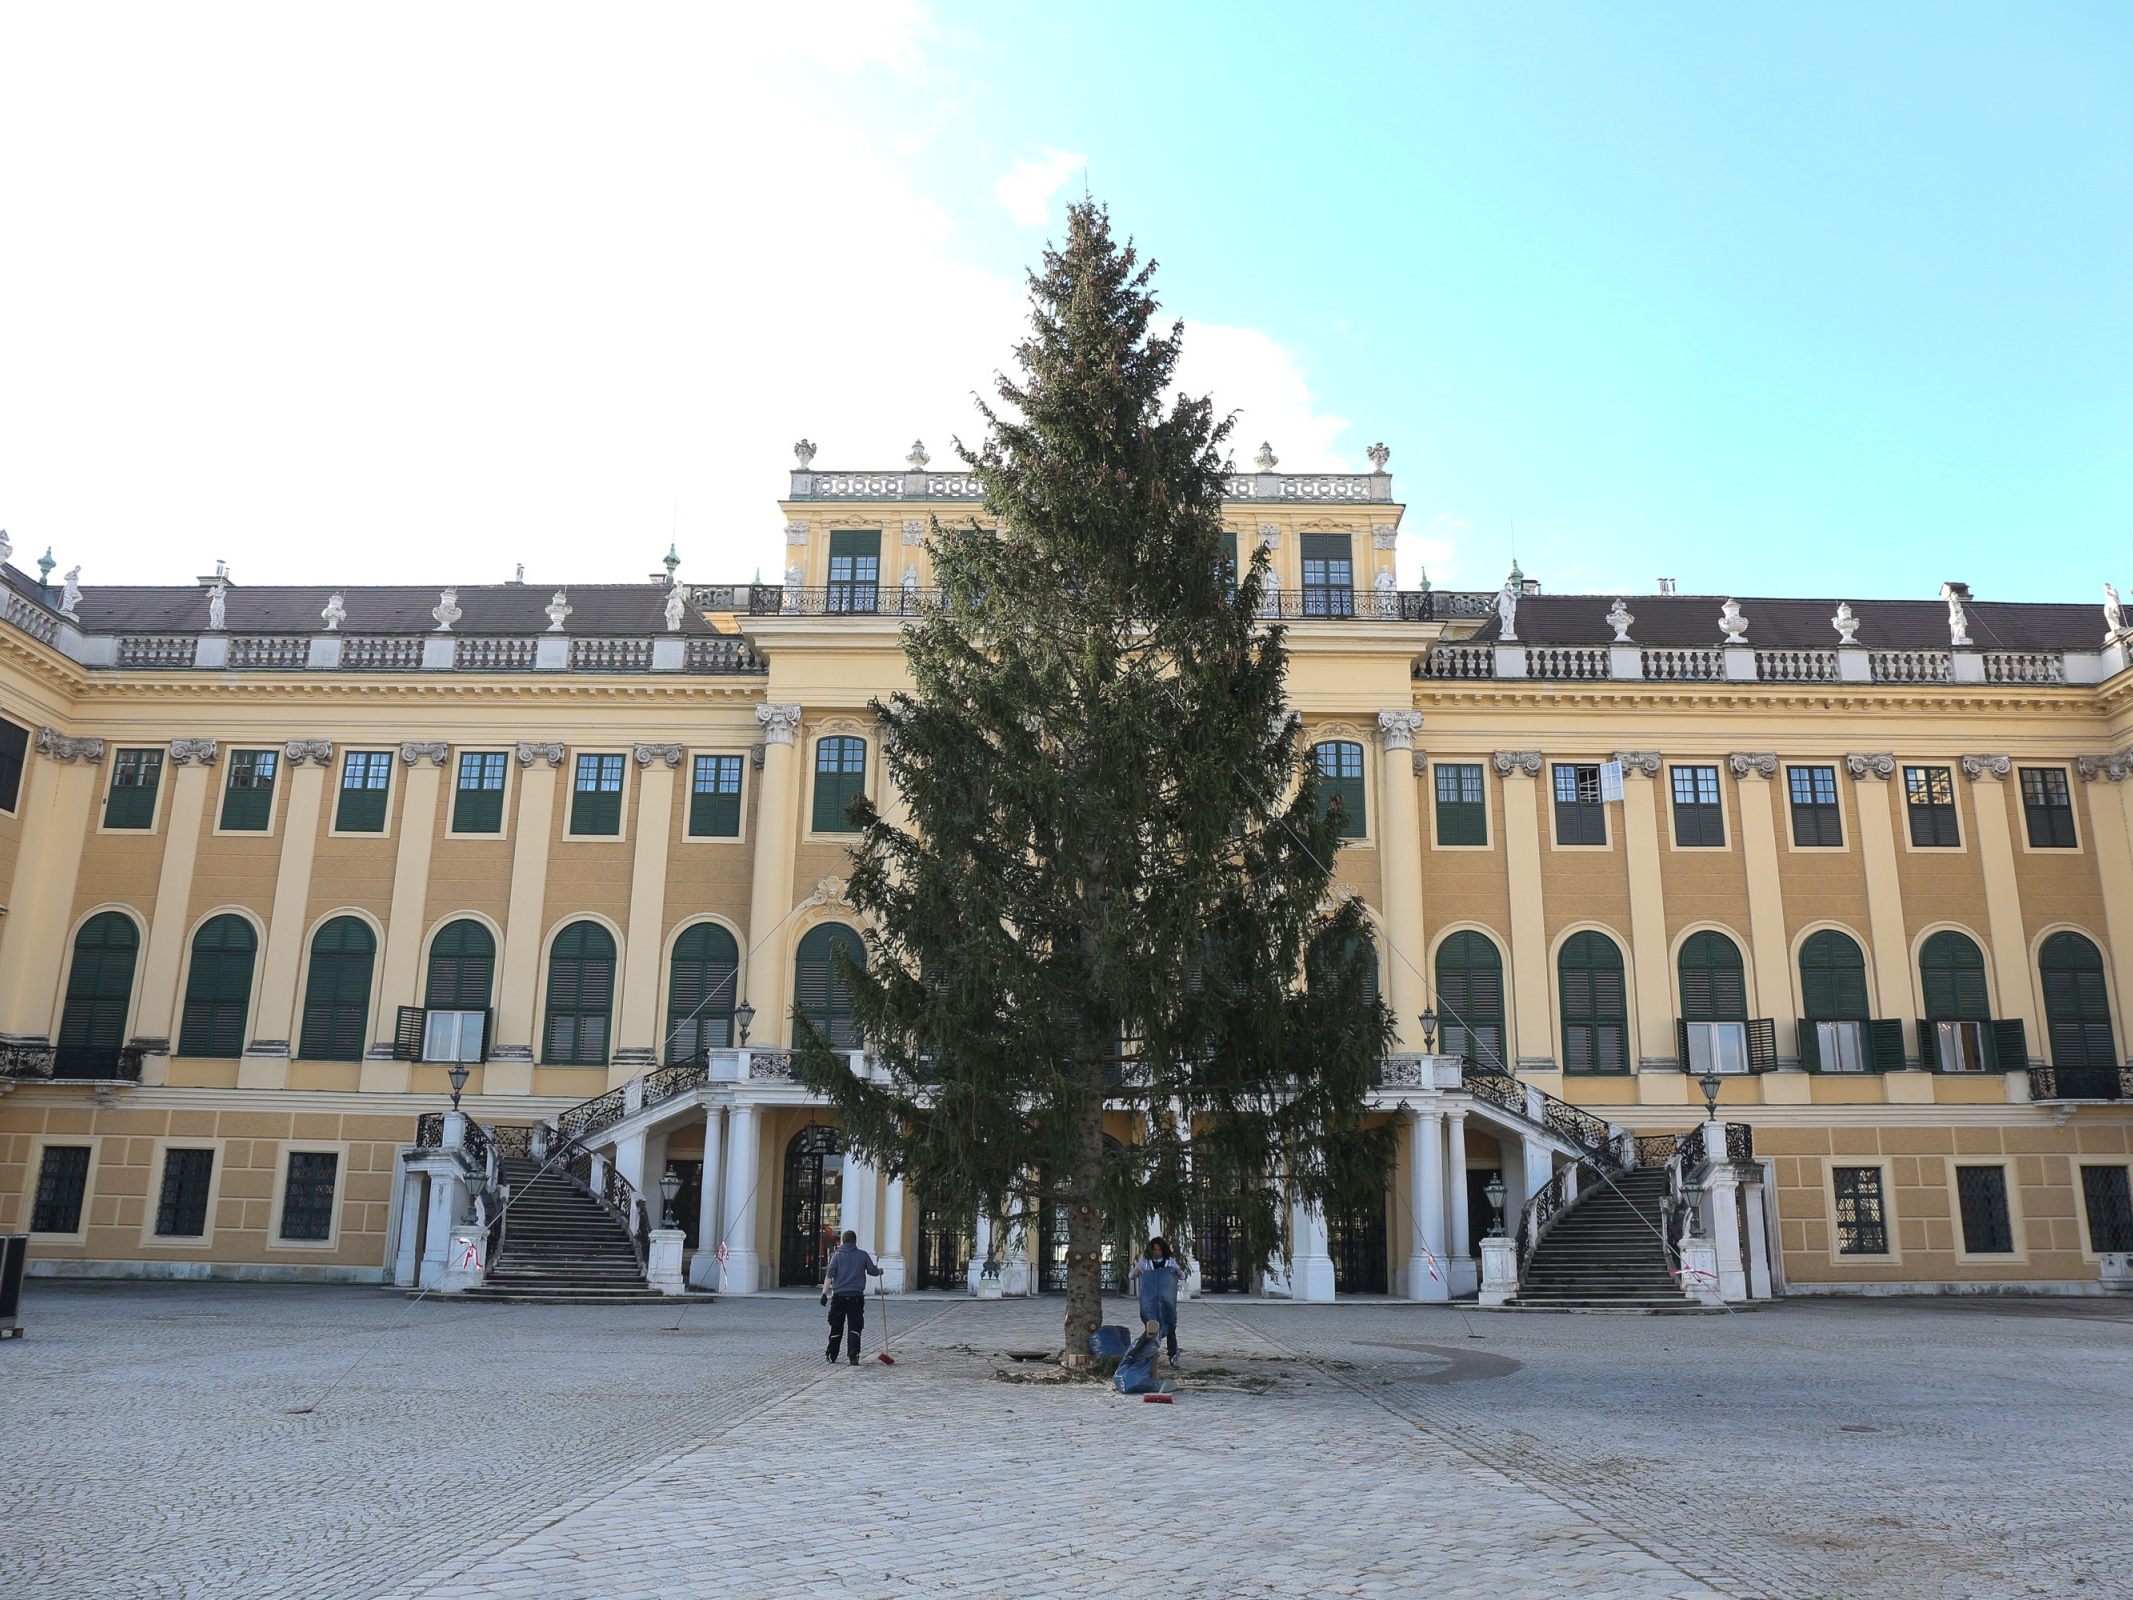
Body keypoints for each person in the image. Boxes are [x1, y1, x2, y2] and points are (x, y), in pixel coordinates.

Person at [820, 1228, 884, 1365]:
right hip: (856, 1297)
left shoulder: (836, 1256)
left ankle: (832, 1354)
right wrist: (880, 1271)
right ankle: (853, 1355)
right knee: (855, 1327)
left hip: (839, 1297)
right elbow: (872, 1271)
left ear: (843, 1241)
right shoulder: (862, 1255)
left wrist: (824, 1294)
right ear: (855, 1241)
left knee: (836, 1326)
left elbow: (829, 1275)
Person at [1129, 1236, 1187, 1363]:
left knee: (1170, 1328)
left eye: (1159, 1250)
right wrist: (1136, 1272)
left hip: (1167, 1302)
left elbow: (1182, 1276)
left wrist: (1178, 1272)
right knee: (1151, 1328)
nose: (1157, 1252)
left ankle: (1173, 1355)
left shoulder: (1170, 1262)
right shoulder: (1145, 1263)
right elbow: (1131, 1275)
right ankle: (1149, 1354)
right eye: (1155, 1250)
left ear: (1163, 1250)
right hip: (1150, 1303)